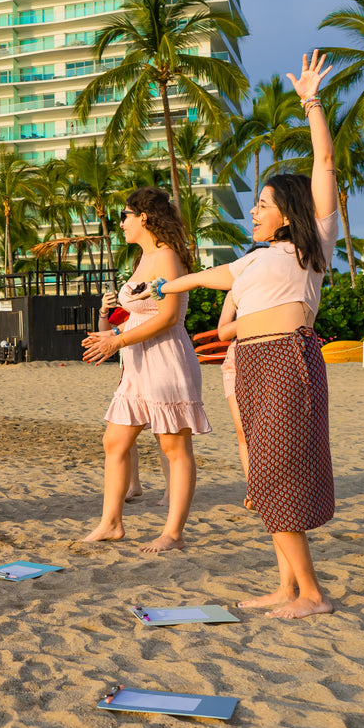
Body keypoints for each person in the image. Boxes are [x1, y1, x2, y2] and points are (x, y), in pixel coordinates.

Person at [152, 52, 338, 618]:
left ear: (287, 212)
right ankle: (285, 586)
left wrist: (311, 101)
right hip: (251, 365)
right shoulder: (255, 259)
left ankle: (311, 594)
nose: (254, 211)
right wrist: (159, 289)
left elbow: (325, 163)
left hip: (288, 359)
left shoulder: (311, 248)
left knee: (278, 473)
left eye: (262, 204)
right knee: (263, 474)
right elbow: (206, 277)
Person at [80, 188, 210, 553]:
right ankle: (111, 523)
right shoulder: (145, 257)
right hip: (137, 363)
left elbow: (169, 317)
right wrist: (113, 333)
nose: (120, 223)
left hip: (166, 360)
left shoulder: (167, 257)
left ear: (144, 218)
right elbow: (140, 313)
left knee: (174, 446)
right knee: (114, 442)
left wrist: (117, 342)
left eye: (124, 216)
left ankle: (174, 532)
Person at [217, 291, 251, 508]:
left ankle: (276, 487)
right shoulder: (236, 290)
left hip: (273, 356)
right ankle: (255, 490)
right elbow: (223, 331)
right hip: (237, 358)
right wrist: (254, 319)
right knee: (243, 431)